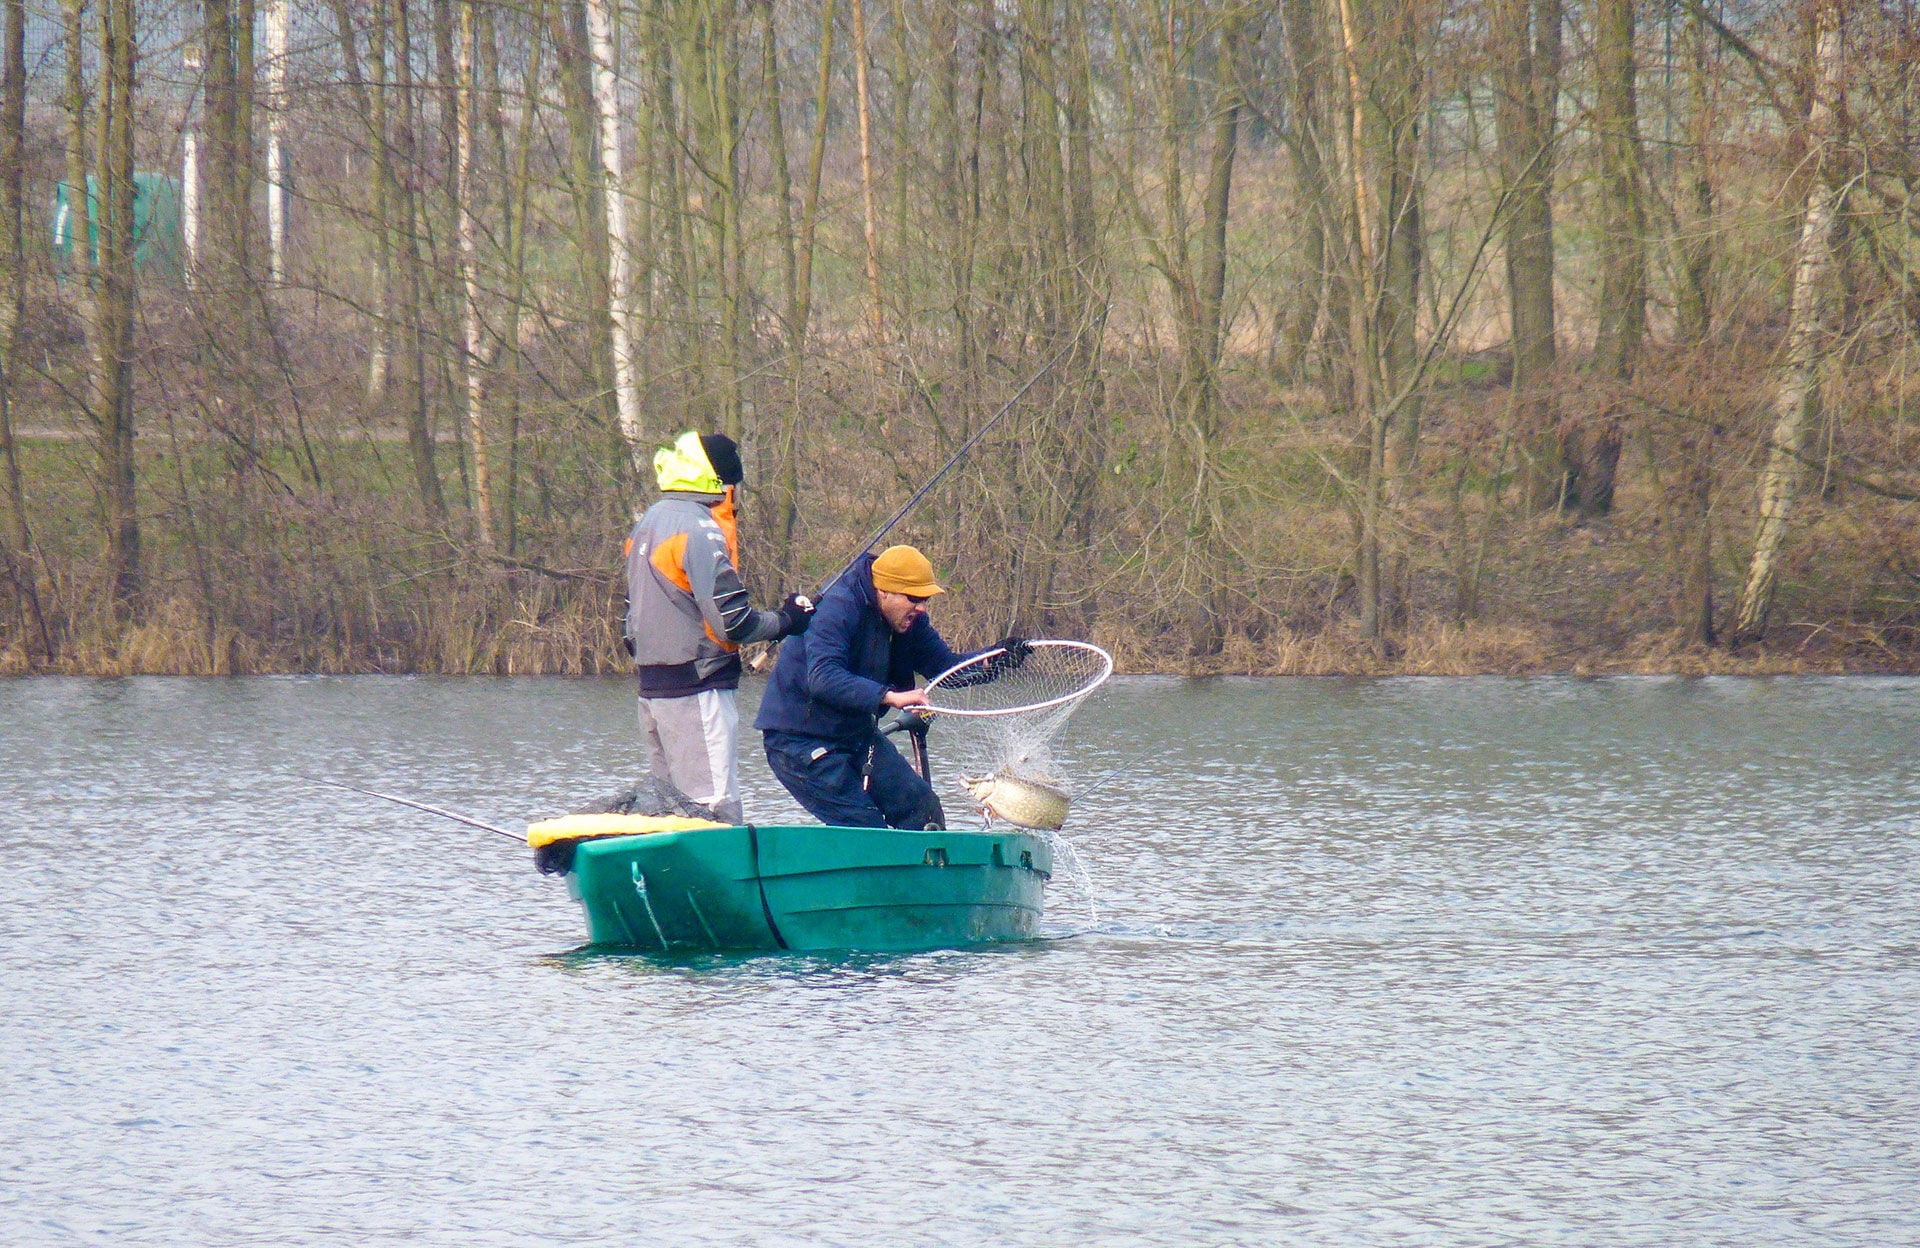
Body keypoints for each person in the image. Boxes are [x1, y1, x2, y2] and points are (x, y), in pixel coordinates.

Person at [754, 544, 1023, 830]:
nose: (921, 607)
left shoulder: (909, 619)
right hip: (797, 741)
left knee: (922, 808)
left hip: (854, 734)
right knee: (866, 827)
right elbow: (823, 678)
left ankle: (929, 873)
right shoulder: (837, 608)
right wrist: (889, 696)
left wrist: (994, 660)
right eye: (914, 598)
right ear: (884, 591)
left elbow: (945, 668)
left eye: (925, 600)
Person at [624, 430, 813, 824]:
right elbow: (732, 623)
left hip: (652, 692)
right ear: (723, 484)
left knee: (667, 812)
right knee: (713, 813)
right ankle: (723, 886)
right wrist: (787, 621)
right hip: (697, 691)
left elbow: (629, 624)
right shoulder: (700, 528)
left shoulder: (646, 524)